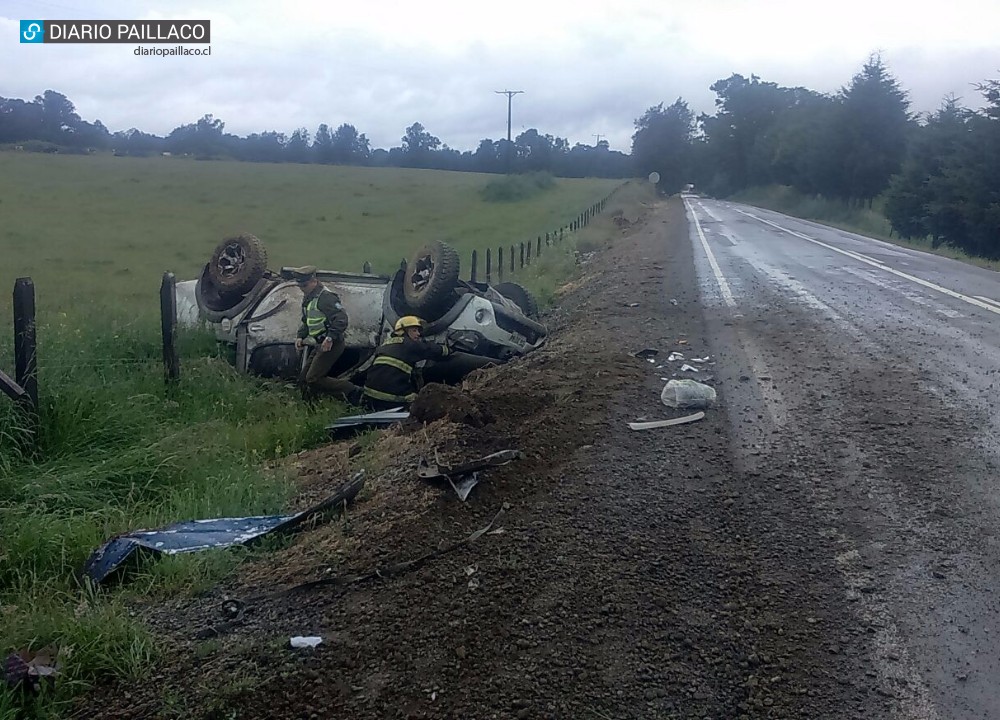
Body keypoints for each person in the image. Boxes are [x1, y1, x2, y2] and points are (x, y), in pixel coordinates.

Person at [290, 265, 363, 404]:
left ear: (314, 281)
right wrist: (300, 336)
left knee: (313, 378)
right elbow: (307, 320)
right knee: (303, 379)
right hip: (319, 343)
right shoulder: (309, 298)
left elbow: (341, 319)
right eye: (300, 286)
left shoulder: (326, 297)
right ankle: (310, 407)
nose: (302, 289)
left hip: (332, 343)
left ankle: (352, 391)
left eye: (304, 285)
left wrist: (330, 337)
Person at [362, 315, 451, 410]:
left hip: (370, 395)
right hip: (390, 398)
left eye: (418, 331)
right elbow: (429, 349)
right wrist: (446, 350)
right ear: (403, 331)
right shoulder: (409, 344)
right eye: (414, 330)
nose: (418, 334)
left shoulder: (386, 344)